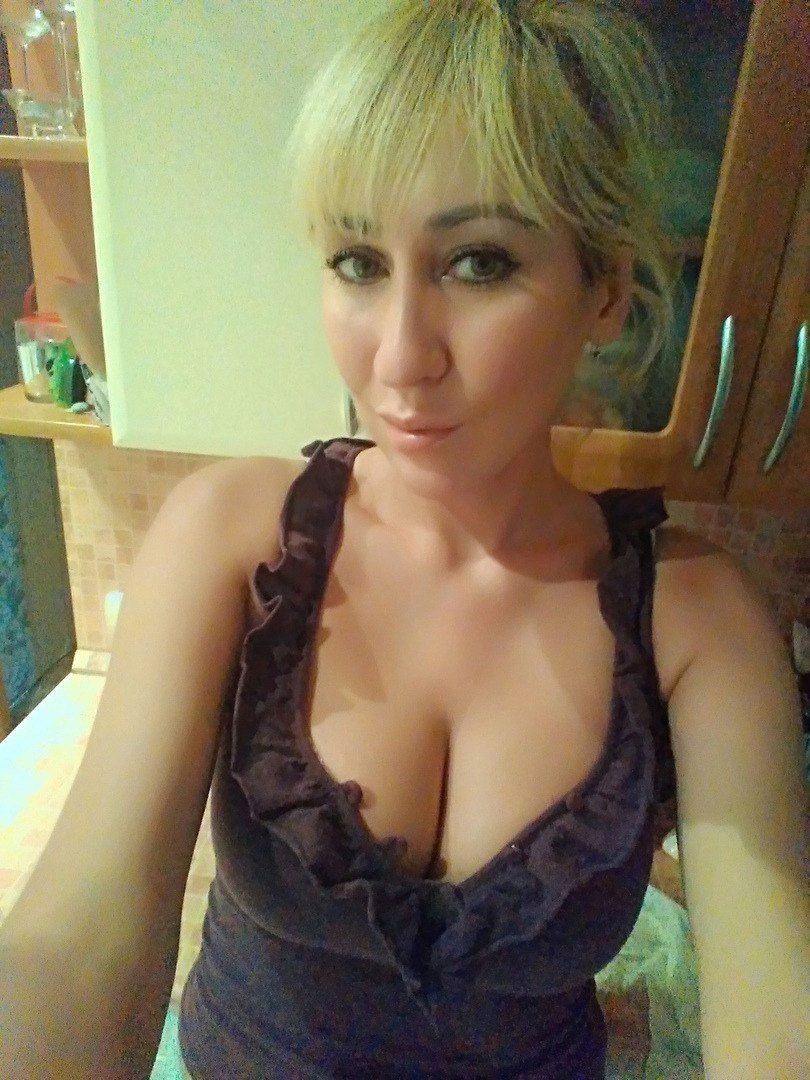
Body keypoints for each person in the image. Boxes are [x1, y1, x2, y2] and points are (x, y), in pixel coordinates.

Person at [1, 1, 807, 1077]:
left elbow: (777, 1013)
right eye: (357, 261)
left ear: (606, 290)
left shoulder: (698, 621)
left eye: (477, 263)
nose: (396, 359)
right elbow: (79, 936)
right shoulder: (232, 540)